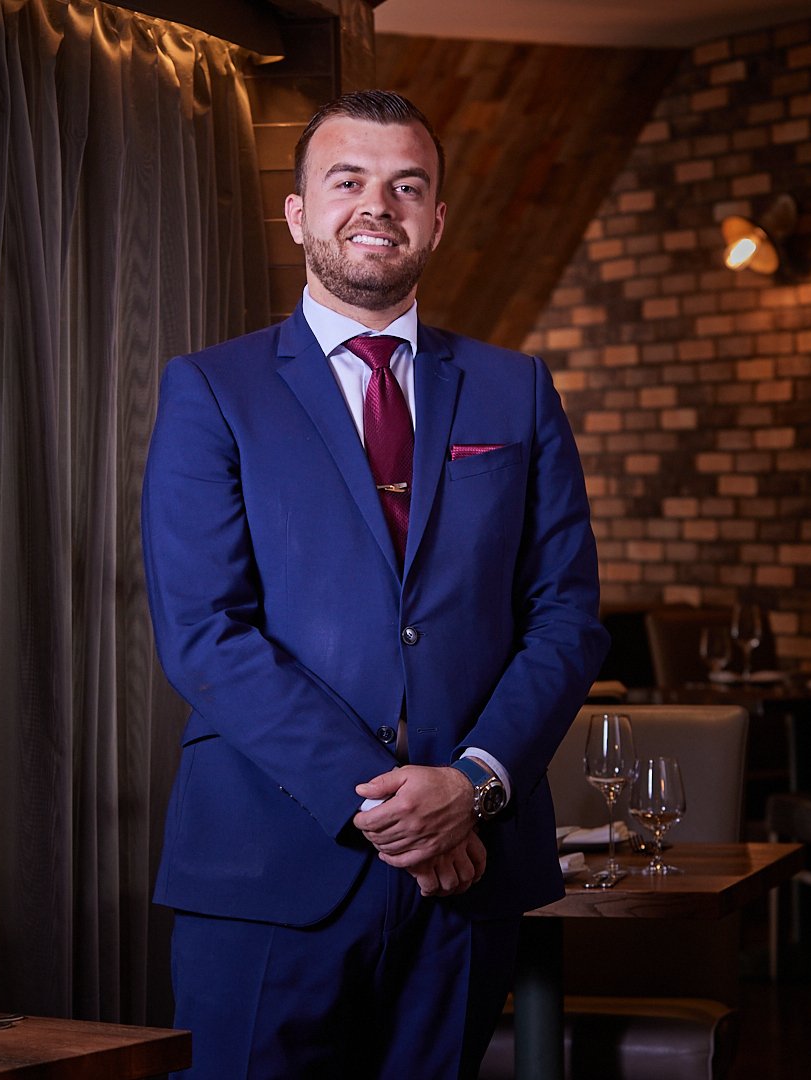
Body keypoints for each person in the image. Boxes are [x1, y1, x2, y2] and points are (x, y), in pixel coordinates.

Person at [140, 90, 610, 1079]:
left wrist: (474, 783)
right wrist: (389, 807)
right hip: (270, 864)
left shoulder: (514, 388)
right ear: (300, 212)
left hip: (467, 872)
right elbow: (203, 629)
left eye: (407, 185)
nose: (378, 205)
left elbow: (565, 613)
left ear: (437, 219)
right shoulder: (212, 389)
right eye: (347, 180)